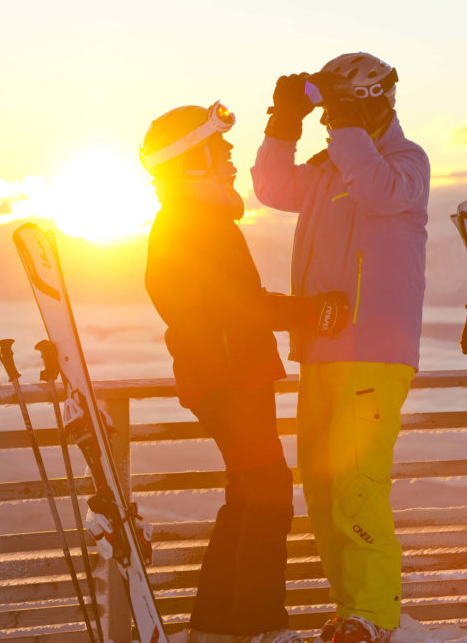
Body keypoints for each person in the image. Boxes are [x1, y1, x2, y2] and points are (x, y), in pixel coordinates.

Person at [140, 101, 348, 643]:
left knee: (250, 495)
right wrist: (311, 311)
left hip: (231, 374)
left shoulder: (193, 221)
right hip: (228, 377)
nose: (230, 156)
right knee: (270, 495)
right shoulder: (191, 224)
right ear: (190, 162)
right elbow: (238, 306)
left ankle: (214, 629)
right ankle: (259, 628)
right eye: (219, 147)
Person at [250, 53, 431, 643]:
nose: (329, 119)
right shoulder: (334, 165)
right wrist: (284, 122)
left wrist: (348, 124)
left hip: (375, 352)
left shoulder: (405, 163)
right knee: (326, 493)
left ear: (374, 100)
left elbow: (378, 193)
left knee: (357, 487)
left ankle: (376, 617)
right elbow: (273, 189)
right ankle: (351, 613)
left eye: (338, 106)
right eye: (328, 109)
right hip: (322, 351)